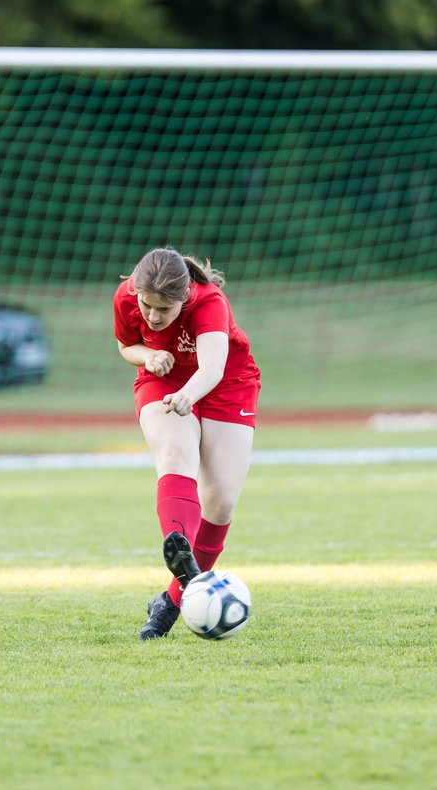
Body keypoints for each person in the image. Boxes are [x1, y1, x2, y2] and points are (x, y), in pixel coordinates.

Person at [113, 247, 262, 639]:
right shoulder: (128, 295)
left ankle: (172, 598)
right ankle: (179, 552)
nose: (153, 316)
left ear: (184, 298)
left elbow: (212, 367)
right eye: (147, 306)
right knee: (174, 453)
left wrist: (188, 395)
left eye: (164, 309)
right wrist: (149, 355)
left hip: (225, 384)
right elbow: (126, 346)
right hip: (162, 381)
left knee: (221, 502)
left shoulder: (210, 302)